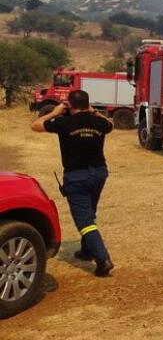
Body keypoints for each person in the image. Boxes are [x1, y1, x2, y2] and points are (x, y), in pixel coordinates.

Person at [31, 90, 115, 277]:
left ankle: (103, 259)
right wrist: (94, 111)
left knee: (84, 221)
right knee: (90, 212)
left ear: (70, 105)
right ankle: (87, 250)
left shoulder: (64, 122)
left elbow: (35, 125)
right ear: (87, 104)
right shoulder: (99, 122)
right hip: (99, 173)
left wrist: (55, 112)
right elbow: (111, 124)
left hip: (77, 177)